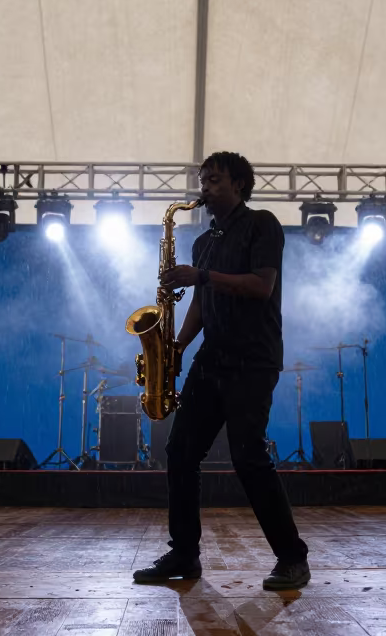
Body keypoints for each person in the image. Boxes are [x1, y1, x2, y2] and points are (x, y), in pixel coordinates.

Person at [132, 151, 310, 591]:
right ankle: (185, 554)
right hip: (212, 357)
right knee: (180, 452)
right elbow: (200, 304)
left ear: (240, 184)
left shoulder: (263, 224)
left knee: (248, 457)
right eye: (203, 179)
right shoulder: (203, 243)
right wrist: (173, 348)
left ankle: (292, 558)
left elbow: (260, 285)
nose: (205, 188)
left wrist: (204, 276)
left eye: (214, 180)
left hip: (254, 358)